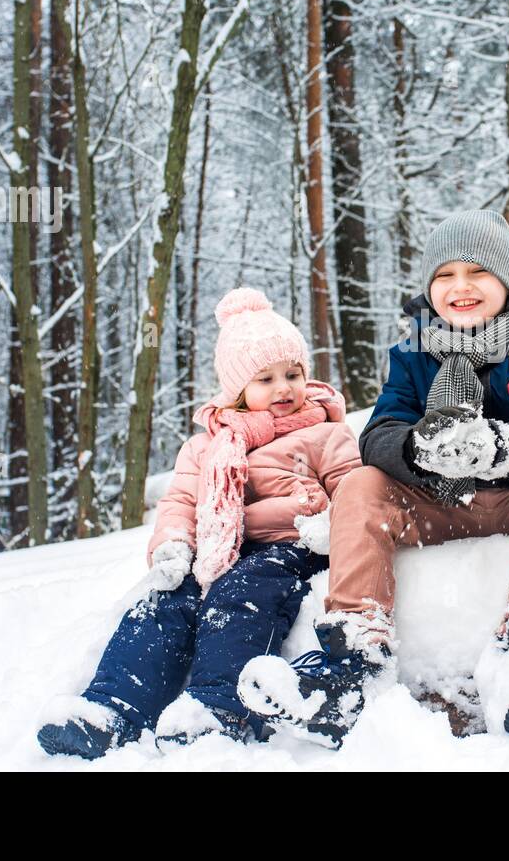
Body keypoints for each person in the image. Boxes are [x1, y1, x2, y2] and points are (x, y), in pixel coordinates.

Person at [238, 210, 509, 747]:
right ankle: (353, 660)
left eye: (477, 272)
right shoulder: (412, 352)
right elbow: (379, 431)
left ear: (506, 280)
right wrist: (417, 448)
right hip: (435, 499)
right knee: (360, 485)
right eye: (444, 275)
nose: (460, 287)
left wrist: (499, 448)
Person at [36, 288, 360, 759]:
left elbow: (352, 486)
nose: (284, 388)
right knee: (165, 602)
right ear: (237, 390)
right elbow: (182, 504)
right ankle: (110, 710)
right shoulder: (207, 447)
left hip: (295, 545)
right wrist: (172, 547)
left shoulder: (324, 433)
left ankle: (218, 707)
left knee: (243, 591)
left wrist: (332, 522)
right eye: (265, 378)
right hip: (218, 549)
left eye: (293, 374)